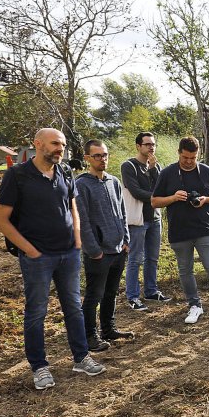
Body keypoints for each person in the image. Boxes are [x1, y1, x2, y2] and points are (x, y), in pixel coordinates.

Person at [0, 128, 105, 390]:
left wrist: (77, 238)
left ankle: (81, 357)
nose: (60, 148)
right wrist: (30, 250)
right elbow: (1, 219)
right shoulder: (17, 175)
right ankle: (40, 367)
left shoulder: (65, 172)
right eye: (55, 143)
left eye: (63, 145)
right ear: (38, 144)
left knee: (73, 307)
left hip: (68, 253)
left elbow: (72, 207)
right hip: (38, 258)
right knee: (37, 312)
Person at [152, 136, 209, 325]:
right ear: (179, 153)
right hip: (179, 230)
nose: (189, 161)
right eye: (185, 158)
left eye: (193, 157)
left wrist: (206, 199)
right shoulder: (167, 173)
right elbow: (155, 201)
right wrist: (173, 198)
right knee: (185, 270)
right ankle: (195, 305)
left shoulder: (207, 171)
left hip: (205, 227)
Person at [75, 140, 134, 350]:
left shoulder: (113, 181)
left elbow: (122, 213)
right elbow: (82, 221)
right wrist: (94, 250)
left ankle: (108, 329)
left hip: (118, 249)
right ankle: (89, 337)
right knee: (94, 295)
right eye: (97, 156)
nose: (102, 159)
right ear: (87, 158)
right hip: (98, 253)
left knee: (111, 293)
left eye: (105, 155)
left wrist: (126, 240)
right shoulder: (81, 185)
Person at [120, 132, 171, 311]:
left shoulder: (155, 167)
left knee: (153, 258)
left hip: (154, 218)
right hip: (138, 220)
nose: (151, 147)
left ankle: (151, 291)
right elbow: (135, 191)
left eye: (153, 144)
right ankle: (133, 297)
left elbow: (161, 187)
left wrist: (153, 169)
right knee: (135, 259)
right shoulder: (129, 166)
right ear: (138, 146)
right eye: (147, 144)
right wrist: (159, 198)